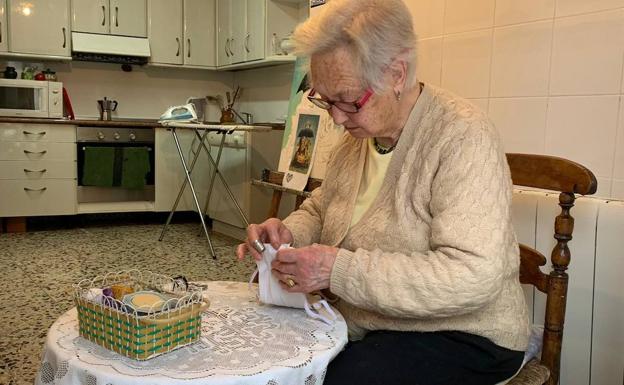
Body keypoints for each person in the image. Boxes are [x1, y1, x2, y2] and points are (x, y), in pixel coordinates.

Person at [236, 0, 530, 384]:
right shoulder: (357, 139)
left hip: (465, 332)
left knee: (337, 379)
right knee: (266, 352)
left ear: (396, 74)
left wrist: (335, 269)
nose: (337, 118)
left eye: (348, 100)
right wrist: (290, 233)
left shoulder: (462, 135)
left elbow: (473, 274)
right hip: (370, 321)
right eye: (325, 100)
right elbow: (324, 208)